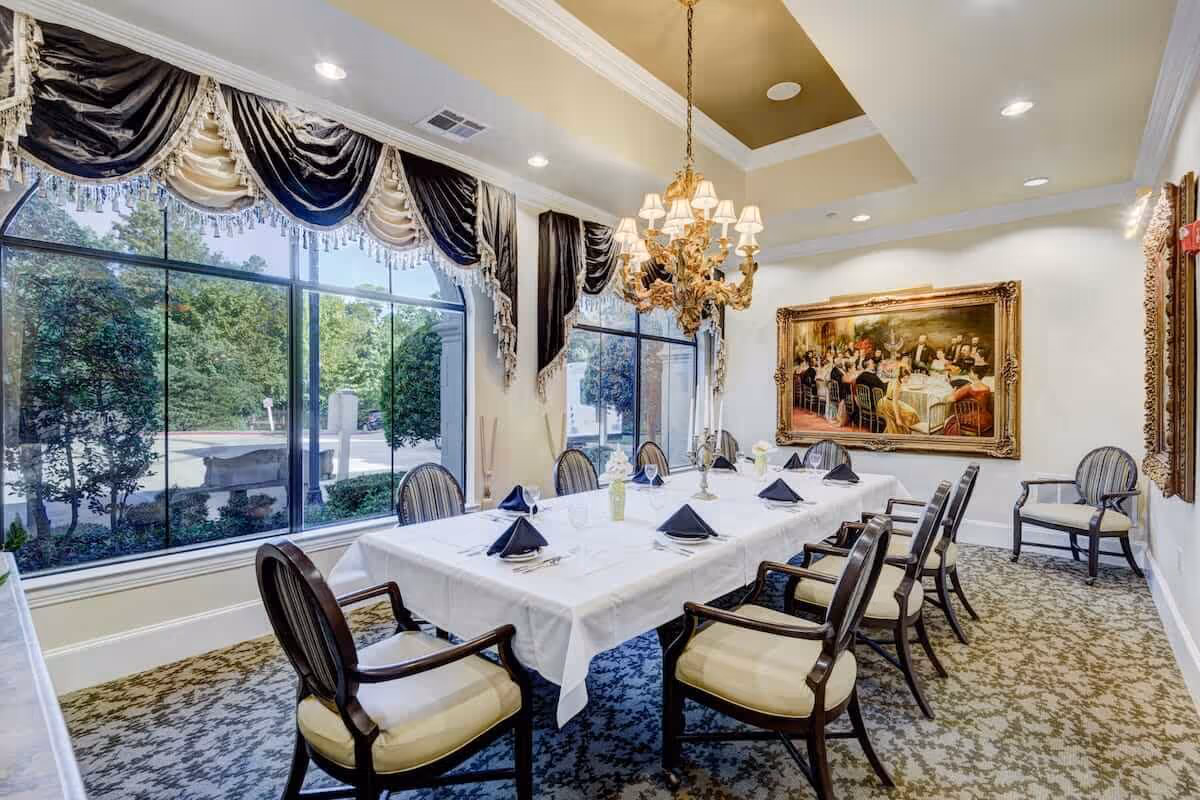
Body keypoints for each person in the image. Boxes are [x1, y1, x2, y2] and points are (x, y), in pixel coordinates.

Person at [943, 370, 993, 436]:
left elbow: (951, 399)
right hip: (986, 419)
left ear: (976, 375)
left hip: (971, 421)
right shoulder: (987, 388)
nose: (969, 373)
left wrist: (953, 392)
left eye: (971, 372)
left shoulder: (969, 388)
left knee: (949, 422)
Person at [878, 364, 921, 433]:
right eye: (906, 378)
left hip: (885, 401)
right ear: (901, 377)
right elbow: (895, 403)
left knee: (912, 412)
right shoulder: (897, 385)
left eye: (908, 378)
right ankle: (906, 432)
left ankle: (908, 431)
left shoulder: (894, 379)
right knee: (912, 414)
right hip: (889, 404)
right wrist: (898, 419)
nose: (907, 380)